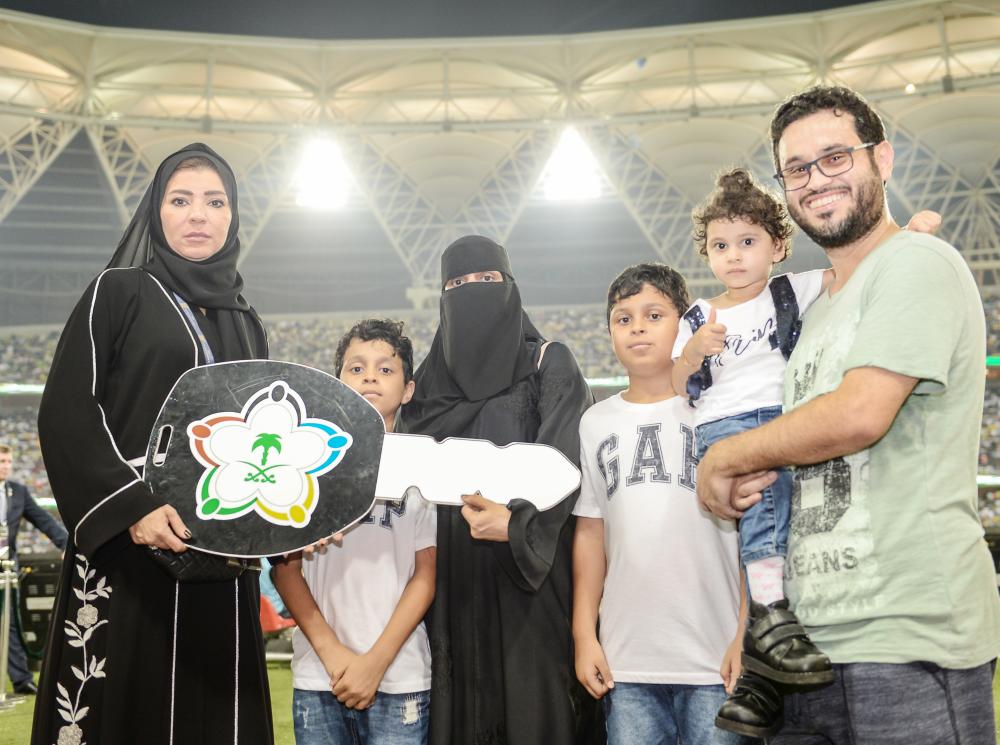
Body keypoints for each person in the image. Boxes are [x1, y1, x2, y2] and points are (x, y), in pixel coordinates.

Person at [696, 85, 1000, 744]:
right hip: (806, 649)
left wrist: (726, 455)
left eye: (835, 157)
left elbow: (860, 413)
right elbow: (786, 463)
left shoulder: (915, 261)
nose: (816, 179)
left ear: (881, 159)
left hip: (907, 638)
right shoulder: (813, 311)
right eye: (797, 168)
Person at [32, 143, 272, 745]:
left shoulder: (246, 321)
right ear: (156, 212)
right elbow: (67, 411)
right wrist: (133, 507)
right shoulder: (118, 293)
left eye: (214, 202)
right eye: (180, 200)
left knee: (214, 710)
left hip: (221, 544)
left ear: (232, 216)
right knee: (125, 701)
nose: (198, 215)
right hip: (131, 542)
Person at [400, 235, 600, 745]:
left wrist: (515, 526)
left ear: (510, 286)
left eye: (487, 279)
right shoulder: (425, 388)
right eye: (458, 283)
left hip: (529, 581)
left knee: (533, 711)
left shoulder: (547, 365)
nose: (473, 291)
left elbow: (566, 466)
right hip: (452, 583)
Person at [572, 262, 755, 745]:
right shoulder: (594, 422)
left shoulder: (718, 409)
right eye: (623, 318)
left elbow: (754, 528)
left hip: (715, 656)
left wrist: (746, 632)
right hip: (627, 661)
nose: (637, 327)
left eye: (654, 315)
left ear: (684, 325)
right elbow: (590, 535)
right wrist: (584, 634)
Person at [272, 318, 436, 745]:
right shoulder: (304, 464)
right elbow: (285, 570)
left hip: (399, 674)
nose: (370, 377)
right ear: (337, 382)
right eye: (356, 367)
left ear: (408, 389)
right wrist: (332, 654)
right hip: (319, 672)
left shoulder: (423, 467)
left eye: (386, 369)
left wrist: (375, 663)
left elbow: (425, 576)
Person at [0, 443, 68, 695]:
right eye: (1, 461)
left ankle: (21, 679)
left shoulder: (17, 492)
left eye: (8, 461)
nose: (5, 466)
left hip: (7, 567)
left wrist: (67, 545)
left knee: (10, 623)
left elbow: (43, 520)